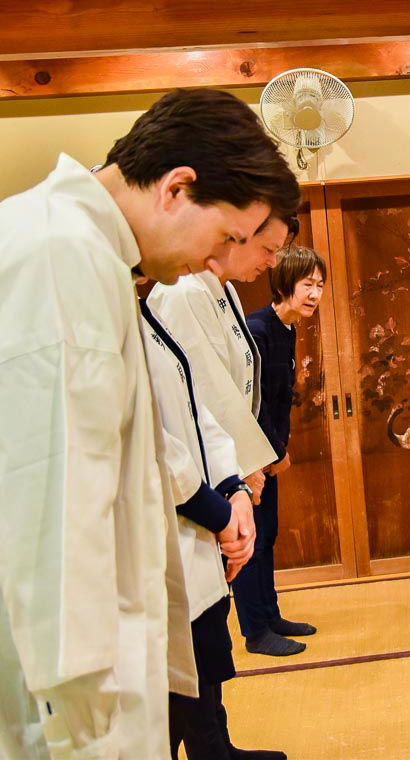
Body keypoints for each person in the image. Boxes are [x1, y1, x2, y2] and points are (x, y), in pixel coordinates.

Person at [0, 88, 299, 759]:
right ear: (176, 188)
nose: (218, 261)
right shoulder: (59, 253)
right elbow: (49, 491)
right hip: (68, 689)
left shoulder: (89, 253)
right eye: (227, 236)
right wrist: (80, 710)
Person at [148, 212, 298, 746]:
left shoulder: (219, 292)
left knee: (207, 632)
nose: (270, 262)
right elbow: (202, 394)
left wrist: (238, 476)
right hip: (193, 491)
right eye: (267, 246)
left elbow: (214, 395)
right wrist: (237, 477)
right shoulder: (179, 292)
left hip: (217, 474)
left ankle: (220, 745)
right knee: (191, 638)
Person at [233, 246, 326, 657]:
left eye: (320, 286)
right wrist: (272, 451)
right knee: (251, 541)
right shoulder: (258, 329)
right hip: (251, 457)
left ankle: (270, 615)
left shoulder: (287, 329)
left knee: (267, 536)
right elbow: (247, 401)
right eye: (308, 285)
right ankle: (255, 631)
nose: (315, 294)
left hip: (270, 453)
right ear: (285, 283)